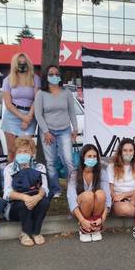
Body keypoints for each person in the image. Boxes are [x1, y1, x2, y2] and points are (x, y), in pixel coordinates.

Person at [34, 65, 78, 198]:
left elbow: (72, 111)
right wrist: (46, 131)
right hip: (48, 132)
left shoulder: (67, 92)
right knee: (51, 162)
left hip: (64, 130)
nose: (54, 76)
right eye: (51, 74)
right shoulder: (41, 93)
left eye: (56, 74)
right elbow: (38, 114)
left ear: (60, 76)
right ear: (46, 77)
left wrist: (75, 128)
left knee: (68, 160)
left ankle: (73, 188)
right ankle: (55, 189)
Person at [3, 137, 51, 246]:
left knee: (44, 202)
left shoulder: (40, 167)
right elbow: (7, 193)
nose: (22, 154)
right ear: (15, 153)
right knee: (23, 203)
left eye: (26, 151)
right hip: (16, 207)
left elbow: (45, 188)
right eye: (19, 151)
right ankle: (25, 233)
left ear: (32, 152)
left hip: (35, 200)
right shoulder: (9, 169)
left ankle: (36, 232)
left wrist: (37, 197)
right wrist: (25, 197)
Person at [107, 138, 135, 243]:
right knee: (125, 209)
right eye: (125, 150)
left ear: (134, 152)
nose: (128, 153)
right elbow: (111, 191)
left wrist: (128, 195)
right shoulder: (112, 166)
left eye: (131, 150)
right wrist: (120, 197)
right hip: (119, 200)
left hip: (134, 197)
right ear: (120, 152)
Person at [67, 144, 111, 243]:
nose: (92, 159)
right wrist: (82, 220)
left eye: (94, 156)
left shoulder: (101, 172)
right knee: (88, 195)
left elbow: (107, 197)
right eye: (89, 156)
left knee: (101, 194)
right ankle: (84, 228)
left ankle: (95, 226)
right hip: (80, 209)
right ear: (83, 158)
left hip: (97, 210)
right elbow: (71, 198)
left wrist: (102, 218)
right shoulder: (74, 173)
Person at [1, 53, 41, 162]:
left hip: (30, 115)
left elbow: (37, 100)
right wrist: (23, 118)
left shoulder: (35, 79)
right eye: (19, 63)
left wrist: (28, 118)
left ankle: (26, 176)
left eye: (24, 63)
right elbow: (8, 104)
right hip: (12, 116)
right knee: (12, 151)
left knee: (26, 150)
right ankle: (11, 176)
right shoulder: (8, 80)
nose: (22, 65)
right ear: (15, 64)